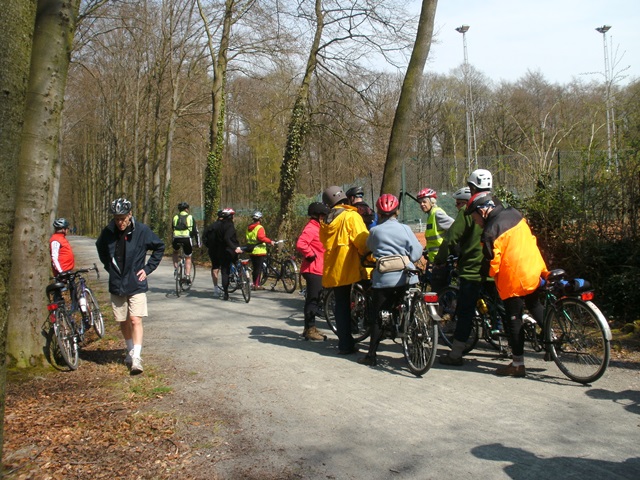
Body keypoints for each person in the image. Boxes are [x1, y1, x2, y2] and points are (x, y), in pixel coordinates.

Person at [466, 190, 547, 377]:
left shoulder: (490, 231)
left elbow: (492, 264)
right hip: (534, 269)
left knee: (514, 319)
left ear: (483, 211)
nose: (476, 222)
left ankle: (518, 365)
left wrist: (481, 273)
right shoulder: (515, 213)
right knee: (535, 305)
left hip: (514, 279)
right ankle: (552, 340)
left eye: (475, 217)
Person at [95, 197, 165, 375]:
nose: (120, 222)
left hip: (136, 282)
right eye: (117, 218)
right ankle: (130, 349)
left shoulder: (141, 231)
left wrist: (147, 269)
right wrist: (108, 267)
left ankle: (137, 358)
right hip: (117, 282)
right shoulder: (108, 232)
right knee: (123, 320)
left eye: (123, 218)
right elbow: (100, 248)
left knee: (135, 319)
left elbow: (159, 247)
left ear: (130, 215)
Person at [435, 170, 497, 366]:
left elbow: (451, 238)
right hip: (494, 267)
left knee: (465, 312)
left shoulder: (468, 211)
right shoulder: (499, 207)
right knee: (501, 306)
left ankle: (456, 354)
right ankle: (510, 349)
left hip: (472, 270)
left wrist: (440, 259)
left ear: (472, 188)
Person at [358, 194, 423, 366]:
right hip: (407, 277)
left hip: (384, 280)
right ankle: (415, 346)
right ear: (397, 212)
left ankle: (371, 354)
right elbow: (416, 253)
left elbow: (370, 247)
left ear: (378, 213)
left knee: (378, 316)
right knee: (412, 309)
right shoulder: (405, 229)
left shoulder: (374, 231)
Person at [319, 186, 370, 355]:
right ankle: (374, 332)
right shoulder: (351, 216)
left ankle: (345, 345)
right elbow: (362, 242)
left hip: (335, 270)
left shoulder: (325, 221)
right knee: (373, 295)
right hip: (353, 267)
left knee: (341, 306)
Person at [296, 202, 330, 342]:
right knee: (313, 300)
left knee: (314, 299)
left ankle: (309, 328)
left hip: (318, 268)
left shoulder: (318, 227)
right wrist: (310, 254)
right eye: (323, 215)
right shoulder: (311, 227)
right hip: (312, 269)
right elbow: (301, 243)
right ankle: (310, 329)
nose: (324, 218)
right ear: (318, 216)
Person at [416, 188, 453, 263]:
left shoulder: (437, 213)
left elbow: (456, 227)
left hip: (442, 260)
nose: (422, 204)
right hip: (435, 259)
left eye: (424, 202)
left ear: (432, 202)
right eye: (420, 202)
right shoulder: (431, 215)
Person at [214, 208, 244, 300]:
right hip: (231, 250)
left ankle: (226, 293)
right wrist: (235, 248)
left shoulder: (218, 226)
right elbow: (227, 238)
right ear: (230, 216)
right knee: (237, 263)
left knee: (224, 272)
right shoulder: (230, 225)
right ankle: (241, 280)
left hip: (221, 251)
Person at [172, 202, 199, 285]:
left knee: (175, 252)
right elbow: (195, 231)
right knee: (188, 257)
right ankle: (187, 275)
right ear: (186, 209)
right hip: (186, 239)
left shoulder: (175, 217)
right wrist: (198, 243)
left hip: (176, 238)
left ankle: (176, 268)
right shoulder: (190, 217)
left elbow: (172, 229)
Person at [246, 211, 274, 289]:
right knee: (258, 269)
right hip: (259, 250)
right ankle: (257, 285)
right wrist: (270, 241)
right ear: (260, 219)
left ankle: (254, 283)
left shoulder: (249, 228)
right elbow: (261, 238)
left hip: (251, 249)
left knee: (255, 268)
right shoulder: (259, 227)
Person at [202, 209, 224, 297]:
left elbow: (204, 238)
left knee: (215, 267)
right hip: (223, 250)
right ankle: (224, 287)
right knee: (225, 268)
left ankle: (216, 288)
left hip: (212, 250)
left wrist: (209, 246)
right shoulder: (226, 226)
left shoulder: (210, 226)